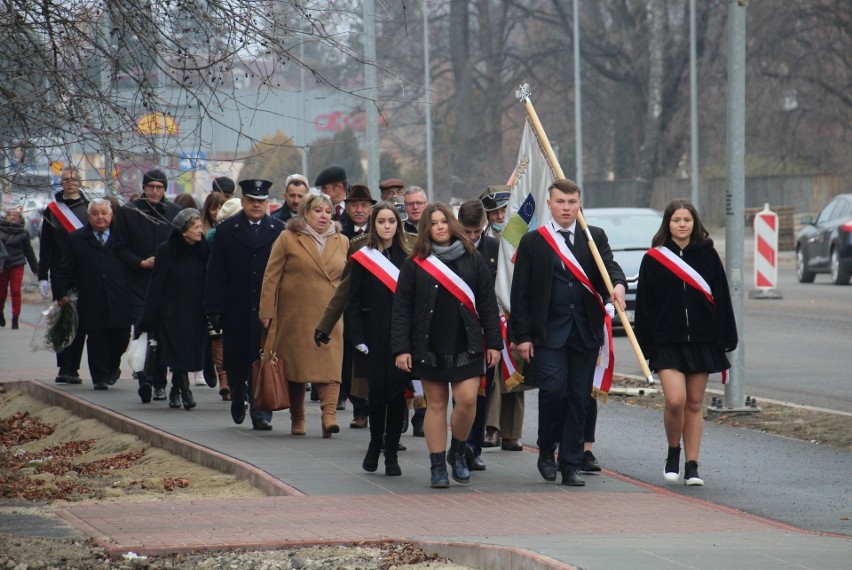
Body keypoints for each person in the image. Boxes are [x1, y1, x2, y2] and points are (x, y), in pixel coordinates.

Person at [509, 179, 626, 487]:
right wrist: (522, 337)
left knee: (578, 397)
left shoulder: (593, 236)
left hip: (585, 332)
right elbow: (519, 293)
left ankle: (570, 463)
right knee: (554, 392)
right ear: (550, 204)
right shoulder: (534, 241)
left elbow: (609, 268)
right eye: (561, 202)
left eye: (572, 202)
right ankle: (546, 449)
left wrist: (617, 285)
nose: (566, 208)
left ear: (579, 204)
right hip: (547, 334)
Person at [391, 202, 502, 488]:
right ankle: (437, 465)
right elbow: (402, 308)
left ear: (451, 224)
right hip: (429, 343)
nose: (439, 227)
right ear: (426, 228)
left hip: (468, 341)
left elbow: (488, 303)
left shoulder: (472, 257)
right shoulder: (414, 263)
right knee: (436, 405)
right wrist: (402, 348)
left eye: (443, 221)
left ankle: (458, 451)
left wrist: (495, 344)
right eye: (433, 223)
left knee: (466, 401)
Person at [634, 199, 738, 487]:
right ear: (668, 223)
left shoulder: (708, 255)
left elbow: (722, 297)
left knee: (694, 403)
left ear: (695, 223)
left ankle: (692, 465)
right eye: (677, 220)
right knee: (675, 400)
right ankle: (673, 452)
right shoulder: (654, 259)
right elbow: (645, 305)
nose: (682, 225)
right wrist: (646, 345)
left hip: (702, 341)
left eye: (687, 220)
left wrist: (727, 336)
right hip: (667, 342)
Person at [259, 192, 349, 438]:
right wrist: (266, 310)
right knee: (296, 367)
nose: (324, 216)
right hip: (295, 313)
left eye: (328, 212)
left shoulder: (342, 240)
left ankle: (329, 415)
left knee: (331, 364)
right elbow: (271, 275)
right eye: (318, 211)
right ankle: (297, 417)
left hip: (330, 313)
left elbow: (348, 278)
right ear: (306, 213)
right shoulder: (288, 238)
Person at [204, 179, 285, 430]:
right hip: (235, 305)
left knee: (262, 357)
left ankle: (261, 410)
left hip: (266, 308)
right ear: (243, 201)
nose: (256, 206)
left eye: (261, 201)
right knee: (237, 358)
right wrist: (213, 308)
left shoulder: (279, 230)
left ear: (268, 203)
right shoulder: (228, 230)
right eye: (251, 201)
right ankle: (238, 395)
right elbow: (215, 271)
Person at [346, 202, 415, 475]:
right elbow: (353, 301)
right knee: (376, 394)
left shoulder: (409, 258)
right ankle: (375, 443)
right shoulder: (364, 257)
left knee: (398, 394)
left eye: (391, 221)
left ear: (398, 225)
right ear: (374, 226)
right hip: (372, 335)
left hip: (400, 337)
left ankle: (391, 453)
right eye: (381, 221)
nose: (387, 226)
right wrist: (358, 337)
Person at [114, 168, 181, 403]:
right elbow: (118, 247)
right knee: (142, 330)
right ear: (143, 188)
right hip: (137, 283)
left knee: (162, 333)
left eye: (159, 187)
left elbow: (183, 246)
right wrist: (140, 262)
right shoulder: (128, 213)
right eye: (151, 187)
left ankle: (161, 382)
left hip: (167, 285)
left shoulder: (174, 213)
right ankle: (144, 378)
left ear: (165, 189)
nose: (155, 191)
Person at [53, 199, 130, 390]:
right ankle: (100, 377)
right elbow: (66, 268)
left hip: (119, 296)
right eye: (95, 213)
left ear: (111, 216)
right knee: (97, 338)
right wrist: (61, 292)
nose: (100, 217)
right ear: (89, 217)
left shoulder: (123, 238)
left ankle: (112, 367)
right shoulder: (77, 238)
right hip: (90, 297)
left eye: (104, 213)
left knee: (121, 337)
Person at [140, 209, 210, 410]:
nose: (200, 231)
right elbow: (157, 282)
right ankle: (185, 391)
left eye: (200, 227)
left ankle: (175, 390)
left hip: (196, 309)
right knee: (177, 350)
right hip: (172, 310)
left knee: (190, 351)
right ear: (183, 231)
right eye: (195, 228)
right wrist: (149, 314)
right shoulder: (167, 250)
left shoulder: (203, 249)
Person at [456, 200, 500, 470]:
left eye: (477, 231)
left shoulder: (494, 248)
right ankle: (459, 445)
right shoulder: (450, 250)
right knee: (461, 395)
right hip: (456, 331)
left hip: (486, 330)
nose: (473, 237)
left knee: (482, 393)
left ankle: (475, 445)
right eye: (467, 231)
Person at [38, 166, 88, 384]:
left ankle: (73, 368)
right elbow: (45, 245)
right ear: (61, 182)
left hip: (83, 272)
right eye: (66, 179)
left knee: (80, 322)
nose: (70, 183)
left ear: (79, 181)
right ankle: (63, 367)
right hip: (60, 272)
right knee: (62, 321)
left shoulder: (88, 208)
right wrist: (42, 275)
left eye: (74, 179)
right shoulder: (52, 209)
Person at [339, 185, 375, 428]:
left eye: (364, 205)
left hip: (371, 304)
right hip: (346, 303)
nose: (359, 210)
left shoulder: (381, 228)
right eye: (354, 205)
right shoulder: (338, 229)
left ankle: (371, 408)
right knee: (348, 364)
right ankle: (358, 409)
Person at [203, 196, 240, 401]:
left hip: (237, 294)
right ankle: (224, 379)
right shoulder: (214, 236)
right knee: (218, 337)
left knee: (227, 339)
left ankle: (230, 379)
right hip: (220, 292)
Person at [0, 207, 39, 329]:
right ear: (5, 217)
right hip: (2, 265)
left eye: (15, 215)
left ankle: (15, 318)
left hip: (17, 263)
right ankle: (0, 314)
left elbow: (29, 251)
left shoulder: (23, 232)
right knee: (1, 293)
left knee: (16, 291)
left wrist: (35, 268)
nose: (12, 217)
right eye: (10, 215)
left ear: (19, 218)